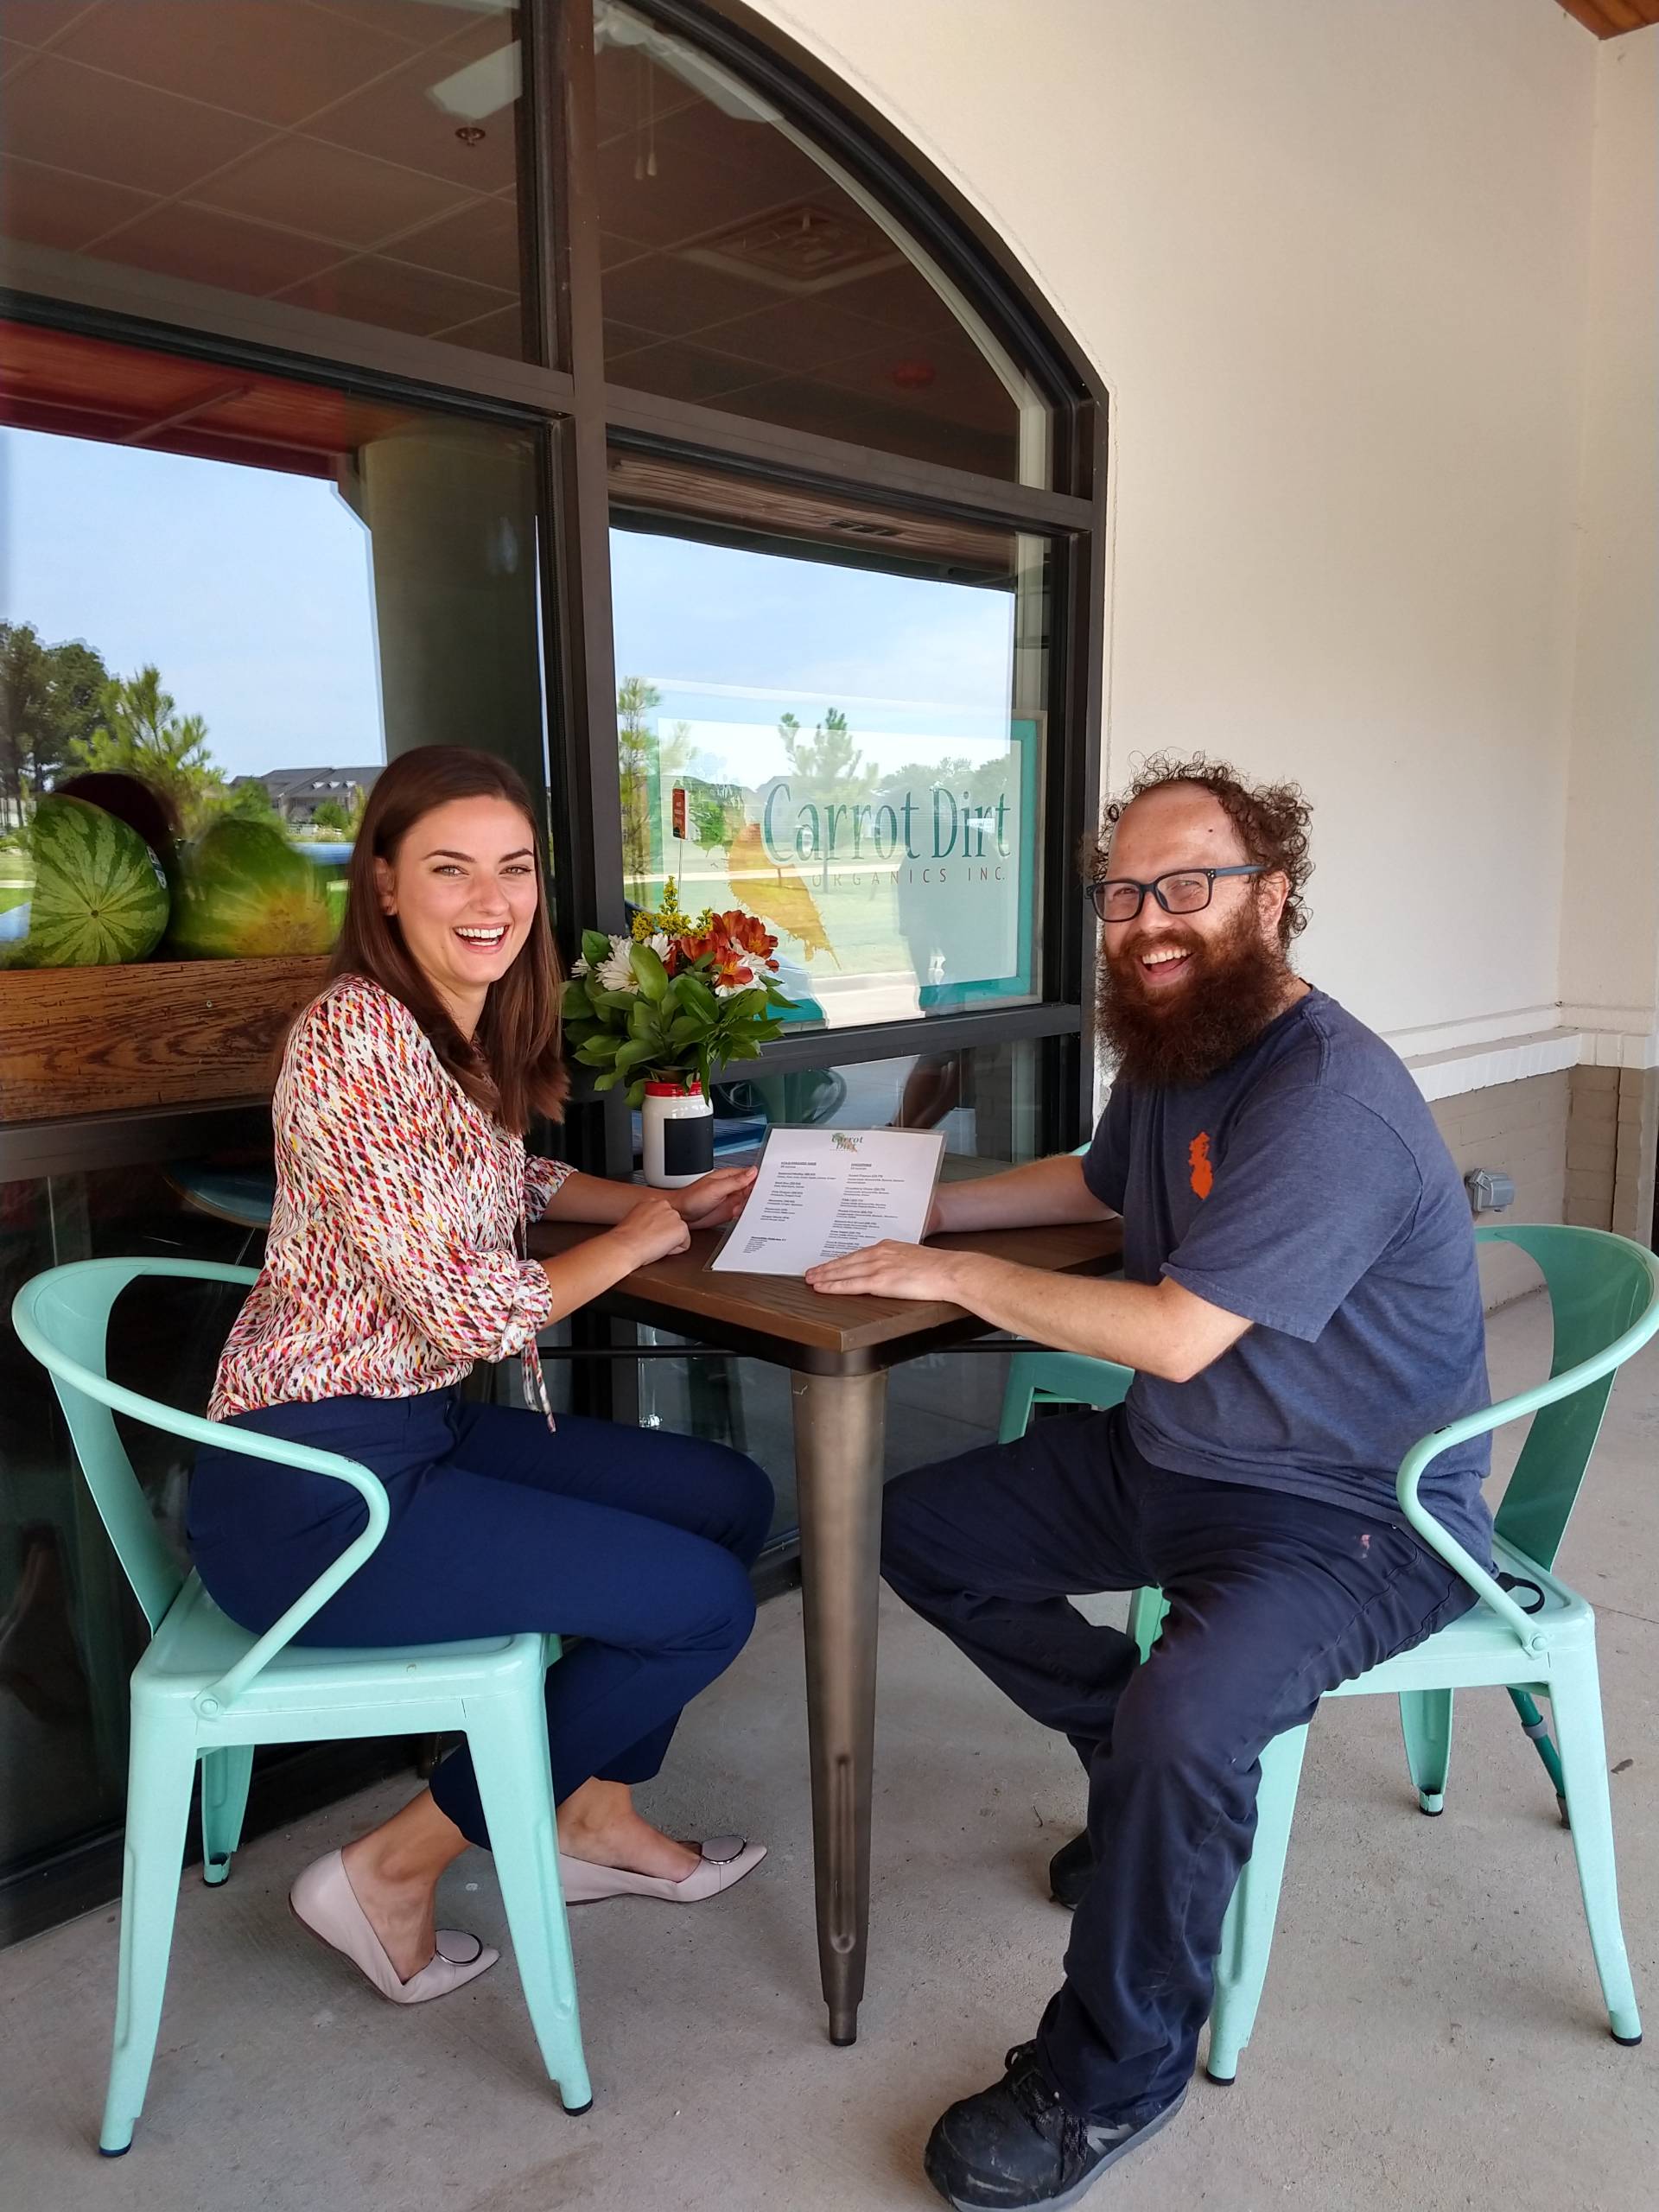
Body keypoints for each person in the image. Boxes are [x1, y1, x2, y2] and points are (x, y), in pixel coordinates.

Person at [806, 755, 1492, 2211]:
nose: (1150, 919)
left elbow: (1176, 1332)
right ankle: (1127, 1771)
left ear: (1275, 895)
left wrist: (949, 1272)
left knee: (1192, 1716)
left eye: (1190, 883)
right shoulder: (1185, 1046)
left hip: (1355, 1513)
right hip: (1186, 1460)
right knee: (908, 1526)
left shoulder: (1332, 1098)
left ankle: (1111, 2073)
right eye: (1123, 892)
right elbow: (1100, 1185)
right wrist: (912, 1191)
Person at [190, 746, 774, 2008]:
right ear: (384, 885)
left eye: (513, 868)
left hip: (411, 1436)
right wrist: (636, 1245)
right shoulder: (355, 1036)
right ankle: (394, 1866)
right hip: (310, 1491)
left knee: (726, 1500)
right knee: (702, 1605)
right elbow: (463, 1308)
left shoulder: (446, 1030)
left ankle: (585, 1820)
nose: (490, 898)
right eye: (450, 868)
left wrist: (663, 1201)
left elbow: (515, 1184)